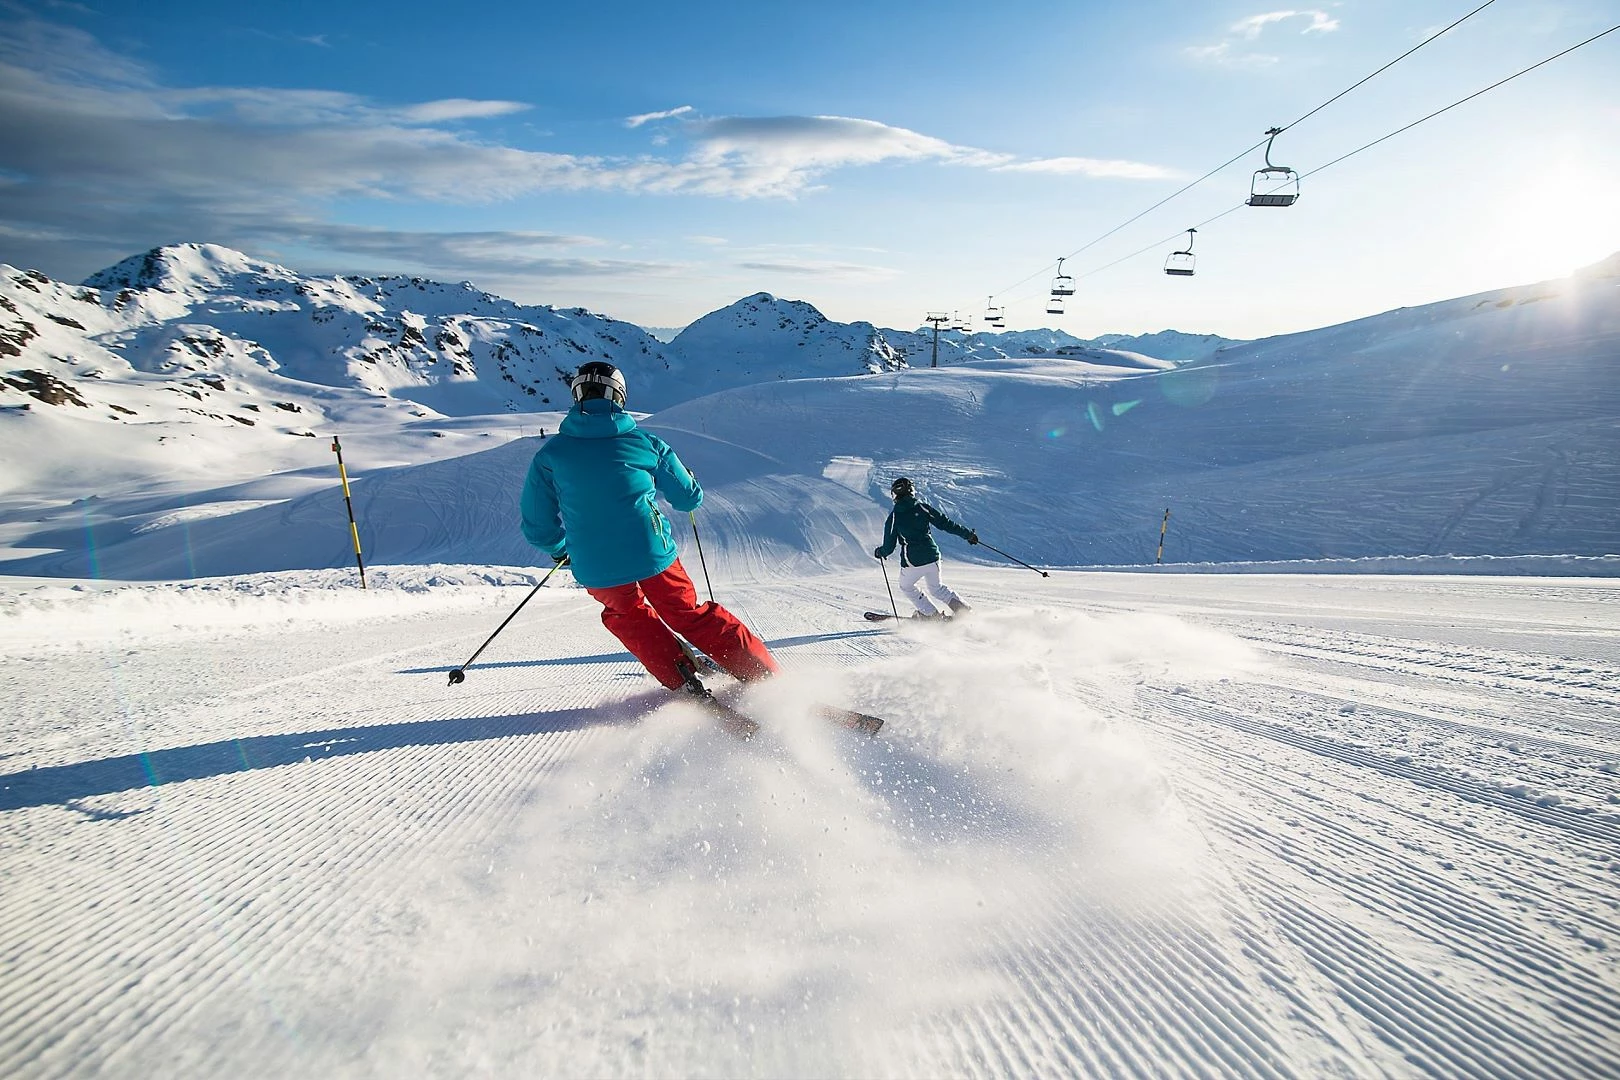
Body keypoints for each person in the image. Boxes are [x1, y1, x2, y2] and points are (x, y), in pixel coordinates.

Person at [520, 361, 779, 694]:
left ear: (577, 396)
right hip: (651, 550)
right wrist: (692, 484)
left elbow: (538, 525)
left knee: (629, 616)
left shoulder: (550, 455)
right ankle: (764, 676)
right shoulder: (645, 443)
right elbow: (687, 499)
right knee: (687, 613)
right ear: (620, 397)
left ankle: (682, 681)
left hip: (594, 562)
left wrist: (561, 550)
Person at [873, 476, 978, 619]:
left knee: (906, 587)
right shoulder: (922, 508)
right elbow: (945, 523)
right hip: (933, 557)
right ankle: (963, 611)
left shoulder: (894, 518)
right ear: (911, 491)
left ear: (896, 495)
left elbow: (889, 547)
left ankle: (932, 615)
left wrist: (881, 552)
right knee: (937, 589)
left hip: (913, 562)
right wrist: (968, 535)